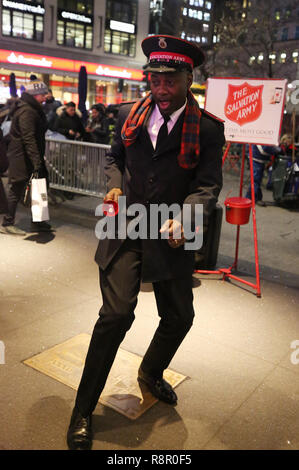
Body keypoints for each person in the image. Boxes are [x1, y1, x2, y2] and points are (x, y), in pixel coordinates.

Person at [66, 35, 225, 450]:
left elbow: (207, 186)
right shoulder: (127, 115)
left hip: (170, 236)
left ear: (188, 78)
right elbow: (114, 158)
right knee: (116, 316)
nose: (161, 86)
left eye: (170, 79)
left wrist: (186, 216)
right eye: (155, 78)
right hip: (126, 228)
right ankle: (82, 410)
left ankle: (150, 373)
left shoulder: (208, 129)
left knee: (180, 316)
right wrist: (114, 186)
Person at [0, 81, 52, 235]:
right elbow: (28, 137)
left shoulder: (30, 109)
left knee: (38, 188)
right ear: (36, 95)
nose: (45, 98)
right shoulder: (27, 111)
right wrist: (36, 161)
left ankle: (38, 222)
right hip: (22, 158)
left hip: (27, 156)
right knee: (16, 189)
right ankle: (7, 223)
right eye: (43, 95)